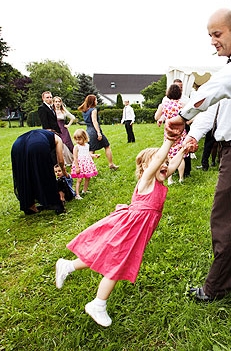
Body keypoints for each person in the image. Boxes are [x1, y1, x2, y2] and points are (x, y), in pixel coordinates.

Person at [164, 8, 231, 301]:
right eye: (210, 35)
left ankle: (216, 288)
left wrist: (184, 116)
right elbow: (214, 106)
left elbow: (218, 89)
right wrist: (193, 135)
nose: (212, 40)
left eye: (217, 34)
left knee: (224, 217)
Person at [54, 139, 185, 327]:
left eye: (166, 162)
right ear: (148, 166)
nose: (165, 164)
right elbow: (158, 160)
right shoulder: (146, 180)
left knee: (106, 254)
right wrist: (169, 142)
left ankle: (68, 266)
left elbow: (170, 165)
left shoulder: (158, 180)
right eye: (160, 161)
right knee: (118, 263)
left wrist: (183, 149)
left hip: (135, 231)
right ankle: (98, 304)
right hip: (129, 230)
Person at [11, 129, 67, 215]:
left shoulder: (41, 133)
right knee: (45, 173)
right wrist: (65, 172)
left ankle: (30, 206)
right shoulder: (58, 138)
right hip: (37, 145)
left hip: (17, 145)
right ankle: (55, 204)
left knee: (24, 173)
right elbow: (61, 161)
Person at [78, 94, 119, 171]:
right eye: (96, 100)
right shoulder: (93, 110)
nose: (97, 101)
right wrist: (98, 132)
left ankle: (88, 168)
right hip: (94, 131)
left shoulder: (84, 111)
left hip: (88, 131)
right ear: (92, 101)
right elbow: (94, 121)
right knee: (107, 146)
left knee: (91, 150)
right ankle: (110, 164)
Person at [156, 84, 187, 184]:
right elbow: (188, 119)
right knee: (180, 155)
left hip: (169, 132)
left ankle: (169, 179)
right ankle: (181, 178)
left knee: (169, 154)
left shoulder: (164, 105)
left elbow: (156, 117)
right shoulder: (182, 105)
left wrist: (162, 118)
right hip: (180, 132)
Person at [70, 129, 99, 199]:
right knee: (79, 179)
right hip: (80, 165)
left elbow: (87, 154)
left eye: (79, 139)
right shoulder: (76, 147)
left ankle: (84, 190)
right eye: (76, 139)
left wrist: (93, 155)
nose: (77, 141)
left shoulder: (87, 145)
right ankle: (77, 194)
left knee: (88, 177)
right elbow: (75, 157)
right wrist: (77, 167)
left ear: (84, 138)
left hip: (86, 164)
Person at [53, 96, 76, 165]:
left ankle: (71, 160)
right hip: (55, 129)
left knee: (66, 143)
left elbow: (72, 117)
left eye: (59, 101)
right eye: (56, 102)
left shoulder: (63, 111)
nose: (57, 103)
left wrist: (68, 125)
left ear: (61, 102)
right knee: (57, 144)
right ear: (53, 103)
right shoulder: (52, 111)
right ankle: (60, 160)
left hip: (63, 129)